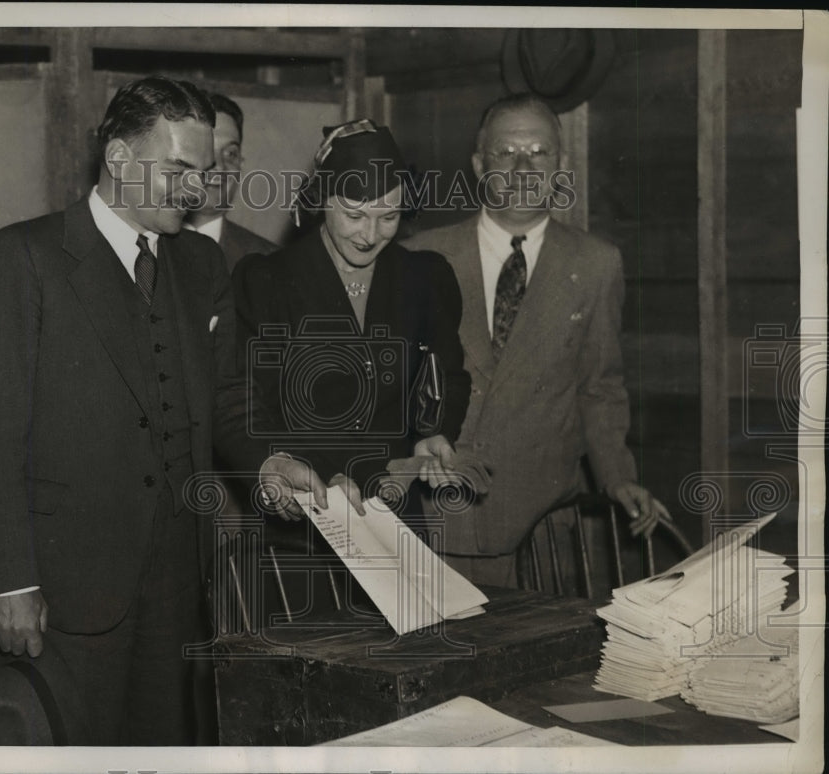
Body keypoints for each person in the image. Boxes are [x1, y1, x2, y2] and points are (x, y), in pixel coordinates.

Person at [0, 76, 331, 746]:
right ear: (119, 158)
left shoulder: (201, 263)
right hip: (64, 588)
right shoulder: (27, 256)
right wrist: (9, 580)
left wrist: (271, 459)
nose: (195, 190)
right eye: (178, 170)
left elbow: (224, 399)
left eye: (205, 171)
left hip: (178, 584)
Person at [403, 93, 669, 586]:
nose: (524, 167)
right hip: (436, 519)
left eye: (539, 152)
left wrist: (618, 476)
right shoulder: (420, 257)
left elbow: (599, 387)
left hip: (542, 530)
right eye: (506, 153)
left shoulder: (595, 263)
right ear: (480, 165)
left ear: (561, 165)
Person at [233, 119, 471, 519]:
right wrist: (321, 474)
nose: (370, 234)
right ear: (323, 199)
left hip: (394, 512)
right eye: (354, 214)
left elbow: (447, 374)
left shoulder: (425, 278)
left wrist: (433, 431)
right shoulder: (266, 282)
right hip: (303, 511)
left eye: (388, 217)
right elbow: (250, 403)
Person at [183, 91, 277, 271]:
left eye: (230, 154)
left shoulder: (269, 261)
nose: (218, 166)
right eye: (206, 149)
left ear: (241, 165)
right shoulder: (143, 246)